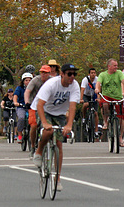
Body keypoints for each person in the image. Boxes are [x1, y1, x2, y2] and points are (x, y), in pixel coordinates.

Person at [31, 64, 80, 192]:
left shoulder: (75, 86)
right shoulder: (51, 84)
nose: (72, 77)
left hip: (60, 114)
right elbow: (40, 105)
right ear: (62, 74)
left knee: (59, 144)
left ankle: (57, 178)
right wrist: (44, 122)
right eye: (69, 74)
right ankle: (39, 152)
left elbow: (73, 106)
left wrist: (69, 125)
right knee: (48, 131)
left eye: (74, 74)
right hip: (44, 110)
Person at [95, 58, 124, 147]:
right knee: (104, 104)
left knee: (121, 118)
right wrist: (97, 89)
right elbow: (98, 83)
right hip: (107, 96)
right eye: (114, 65)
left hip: (117, 97)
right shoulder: (103, 75)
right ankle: (106, 121)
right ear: (109, 66)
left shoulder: (119, 73)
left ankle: (120, 137)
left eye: (116, 65)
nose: (116, 67)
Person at [24, 65, 52, 152]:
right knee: (34, 125)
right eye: (42, 72)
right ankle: (32, 146)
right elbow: (27, 91)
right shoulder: (35, 80)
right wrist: (27, 102)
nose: (43, 74)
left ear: (49, 73)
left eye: (45, 73)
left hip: (47, 105)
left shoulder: (52, 81)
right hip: (34, 104)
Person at [80, 68, 100, 137]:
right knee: (86, 104)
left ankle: (96, 131)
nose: (93, 74)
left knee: (95, 113)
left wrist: (98, 98)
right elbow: (82, 90)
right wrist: (81, 99)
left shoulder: (97, 79)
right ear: (89, 74)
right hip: (86, 95)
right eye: (92, 73)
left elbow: (98, 90)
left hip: (94, 95)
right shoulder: (85, 80)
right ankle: (84, 117)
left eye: (94, 73)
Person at [13, 72, 33, 143]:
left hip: (31, 106)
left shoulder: (34, 88)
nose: (28, 82)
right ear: (23, 81)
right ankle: (19, 135)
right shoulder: (19, 88)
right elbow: (15, 95)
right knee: (21, 118)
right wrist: (15, 102)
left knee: (35, 119)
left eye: (30, 80)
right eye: (26, 80)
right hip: (21, 106)